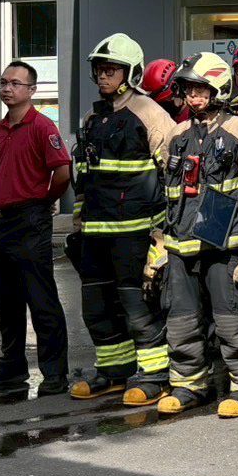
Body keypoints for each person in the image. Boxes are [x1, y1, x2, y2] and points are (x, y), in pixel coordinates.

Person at [152, 53, 238, 417]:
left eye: (201, 89)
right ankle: (190, 385)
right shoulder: (177, 135)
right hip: (180, 243)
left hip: (224, 243)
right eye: (189, 89)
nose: (194, 96)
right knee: (181, 319)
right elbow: (168, 187)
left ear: (218, 89)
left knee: (231, 319)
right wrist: (161, 241)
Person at [68, 34, 175, 406]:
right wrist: (79, 221)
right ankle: (113, 371)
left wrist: (162, 234)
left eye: (110, 69)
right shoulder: (93, 117)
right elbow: (83, 173)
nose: (102, 76)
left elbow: (172, 173)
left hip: (136, 232)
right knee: (96, 305)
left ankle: (154, 375)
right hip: (96, 232)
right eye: (99, 69)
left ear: (130, 73)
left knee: (138, 305)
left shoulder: (149, 113)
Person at [0, 61, 72, 394]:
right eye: (3, 82)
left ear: (32, 90)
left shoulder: (42, 127)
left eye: (15, 83)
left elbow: (62, 174)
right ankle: (12, 367)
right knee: (6, 301)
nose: (7, 88)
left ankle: (55, 373)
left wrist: (42, 202)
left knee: (41, 299)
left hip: (30, 221)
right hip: (0, 224)